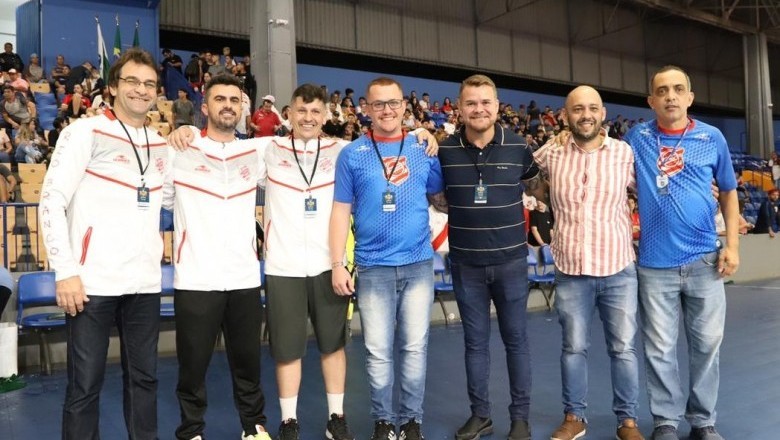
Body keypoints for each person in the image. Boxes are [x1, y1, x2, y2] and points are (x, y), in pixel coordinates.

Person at [168, 83, 439, 440]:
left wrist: (419, 133)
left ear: (325, 115)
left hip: (329, 266)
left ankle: (336, 418)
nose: (308, 118)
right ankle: (288, 420)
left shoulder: (343, 150)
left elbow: (383, 142)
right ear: (289, 114)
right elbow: (221, 145)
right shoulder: (266, 148)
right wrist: (187, 132)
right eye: (301, 111)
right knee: (286, 350)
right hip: (283, 266)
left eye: (315, 112)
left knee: (333, 346)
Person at [38, 48, 169, 440]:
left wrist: (187, 135)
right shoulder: (84, 132)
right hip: (91, 284)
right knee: (85, 385)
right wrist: (66, 271)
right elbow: (52, 200)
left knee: (145, 381)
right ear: (113, 87)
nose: (141, 90)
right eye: (132, 81)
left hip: (144, 284)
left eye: (149, 84)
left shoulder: (160, 144)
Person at [623, 65, 739, 440]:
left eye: (677, 89)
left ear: (690, 97)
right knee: (659, 348)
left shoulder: (711, 137)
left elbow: (728, 192)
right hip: (654, 265)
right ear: (651, 101)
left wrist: (733, 245)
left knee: (707, 346)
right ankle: (665, 421)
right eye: (662, 90)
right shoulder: (636, 138)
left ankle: (703, 420)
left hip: (705, 260)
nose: (670, 96)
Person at [329, 77, 446, 440]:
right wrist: (337, 263)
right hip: (373, 267)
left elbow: (440, 196)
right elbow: (339, 211)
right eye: (378, 104)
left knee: (414, 349)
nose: (387, 110)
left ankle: (411, 422)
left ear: (404, 106)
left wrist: (431, 137)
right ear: (366, 108)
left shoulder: (422, 148)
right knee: (378, 352)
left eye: (393, 102)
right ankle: (383, 421)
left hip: (418, 265)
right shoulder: (352, 154)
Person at [531, 85, 643, 440]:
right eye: (578, 109)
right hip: (571, 269)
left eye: (593, 108)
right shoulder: (552, 152)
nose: (586, 115)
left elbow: (651, 192)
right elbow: (523, 172)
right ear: (566, 115)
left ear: (603, 113)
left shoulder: (624, 153)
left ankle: (627, 422)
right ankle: (574, 417)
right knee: (573, 348)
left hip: (618, 268)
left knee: (623, 349)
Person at [163, 74, 270, 440]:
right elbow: (164, 200)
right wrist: (181, 132)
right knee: (192, 367)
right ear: (205, 107)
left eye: (234, 100)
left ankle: (253, 427)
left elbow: (314, 144)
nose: (228, 105)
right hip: (196, 278)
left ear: (242, 108)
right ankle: (191, 431)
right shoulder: (179, 150)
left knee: (249, 364)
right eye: (220, 99)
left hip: (244, 277)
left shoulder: (256, 152)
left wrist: (416, 134)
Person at [437, 74, 538, 440]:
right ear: (459, 108)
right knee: (475, 345)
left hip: (511, 262)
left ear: (497, 106)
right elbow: (437, 193)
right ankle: (481, 415)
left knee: (517, 342)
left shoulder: (519, 146)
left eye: (485, 102)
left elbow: (534, 182)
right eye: (471, 103)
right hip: (466, 264)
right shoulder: (445, 151)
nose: (478, 109)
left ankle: (520, 418)